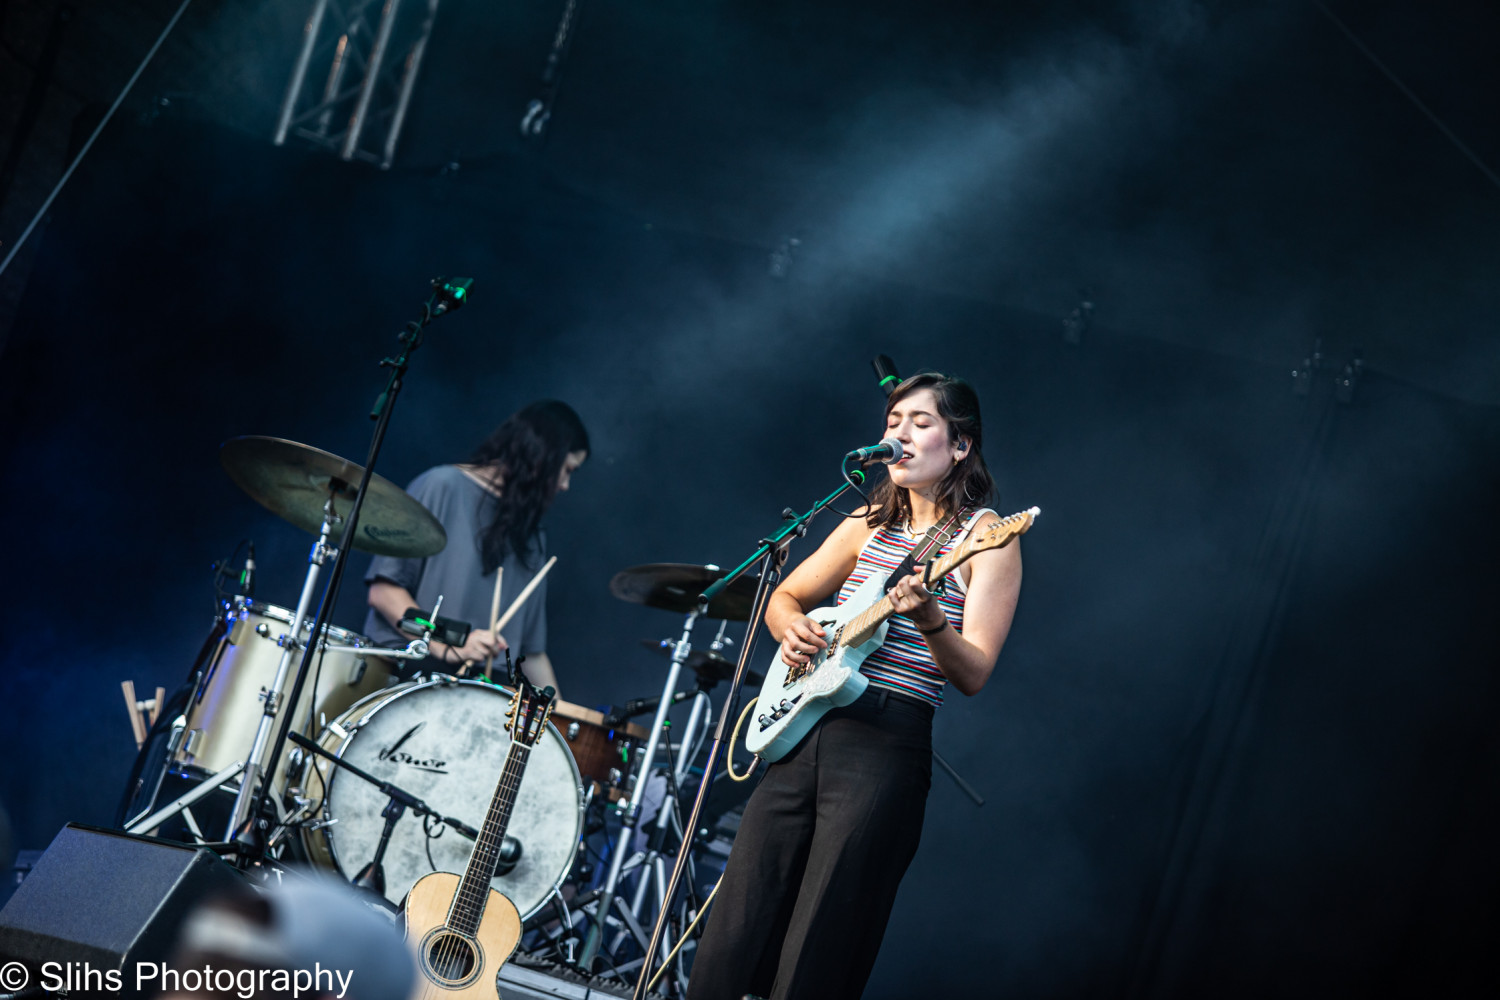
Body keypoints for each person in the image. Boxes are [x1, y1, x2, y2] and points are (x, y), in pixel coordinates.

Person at [686, 373, 1024, 1000]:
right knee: (735, 925)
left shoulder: (988, 538)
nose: (899, 434)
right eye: (893, 422)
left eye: (920, 423)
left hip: (882, 746)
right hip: (801, 733)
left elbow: (974, 670)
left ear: (960, 447)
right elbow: (785, 596)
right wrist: (790, 629)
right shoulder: (867, 520)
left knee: (821, 941)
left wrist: (928, 618)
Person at [364, 400, 589, 693]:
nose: (565, 485)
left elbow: (531, 654)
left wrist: (563, 724)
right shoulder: (441, 486)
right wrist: (445, 643)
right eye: (566, 469)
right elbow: (384, 593)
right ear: (542, 457)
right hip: (407, 675)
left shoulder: (532, 537)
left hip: (478, 693)